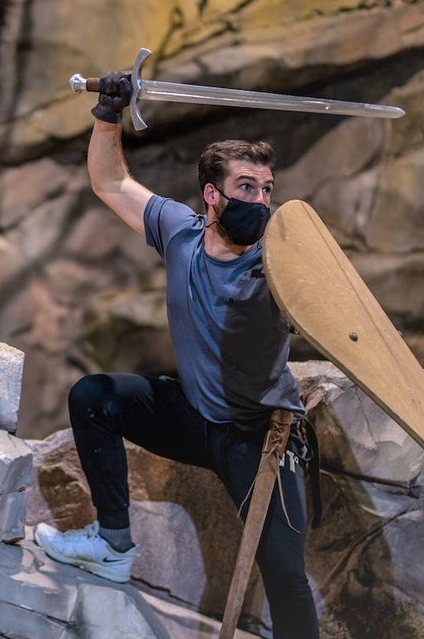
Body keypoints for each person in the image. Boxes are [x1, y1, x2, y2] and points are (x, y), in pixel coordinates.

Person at [33, 72, 319, 638]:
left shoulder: (275, 266)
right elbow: (112, 182)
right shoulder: (180, 232)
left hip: (260, 434)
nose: (260, 200)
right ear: (212, 194)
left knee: (286, 575)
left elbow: (329, 308)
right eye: (246, 187)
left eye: (266, 189)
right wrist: (108, 115)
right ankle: (113, 544)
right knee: (94, 396)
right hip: (195, 417)